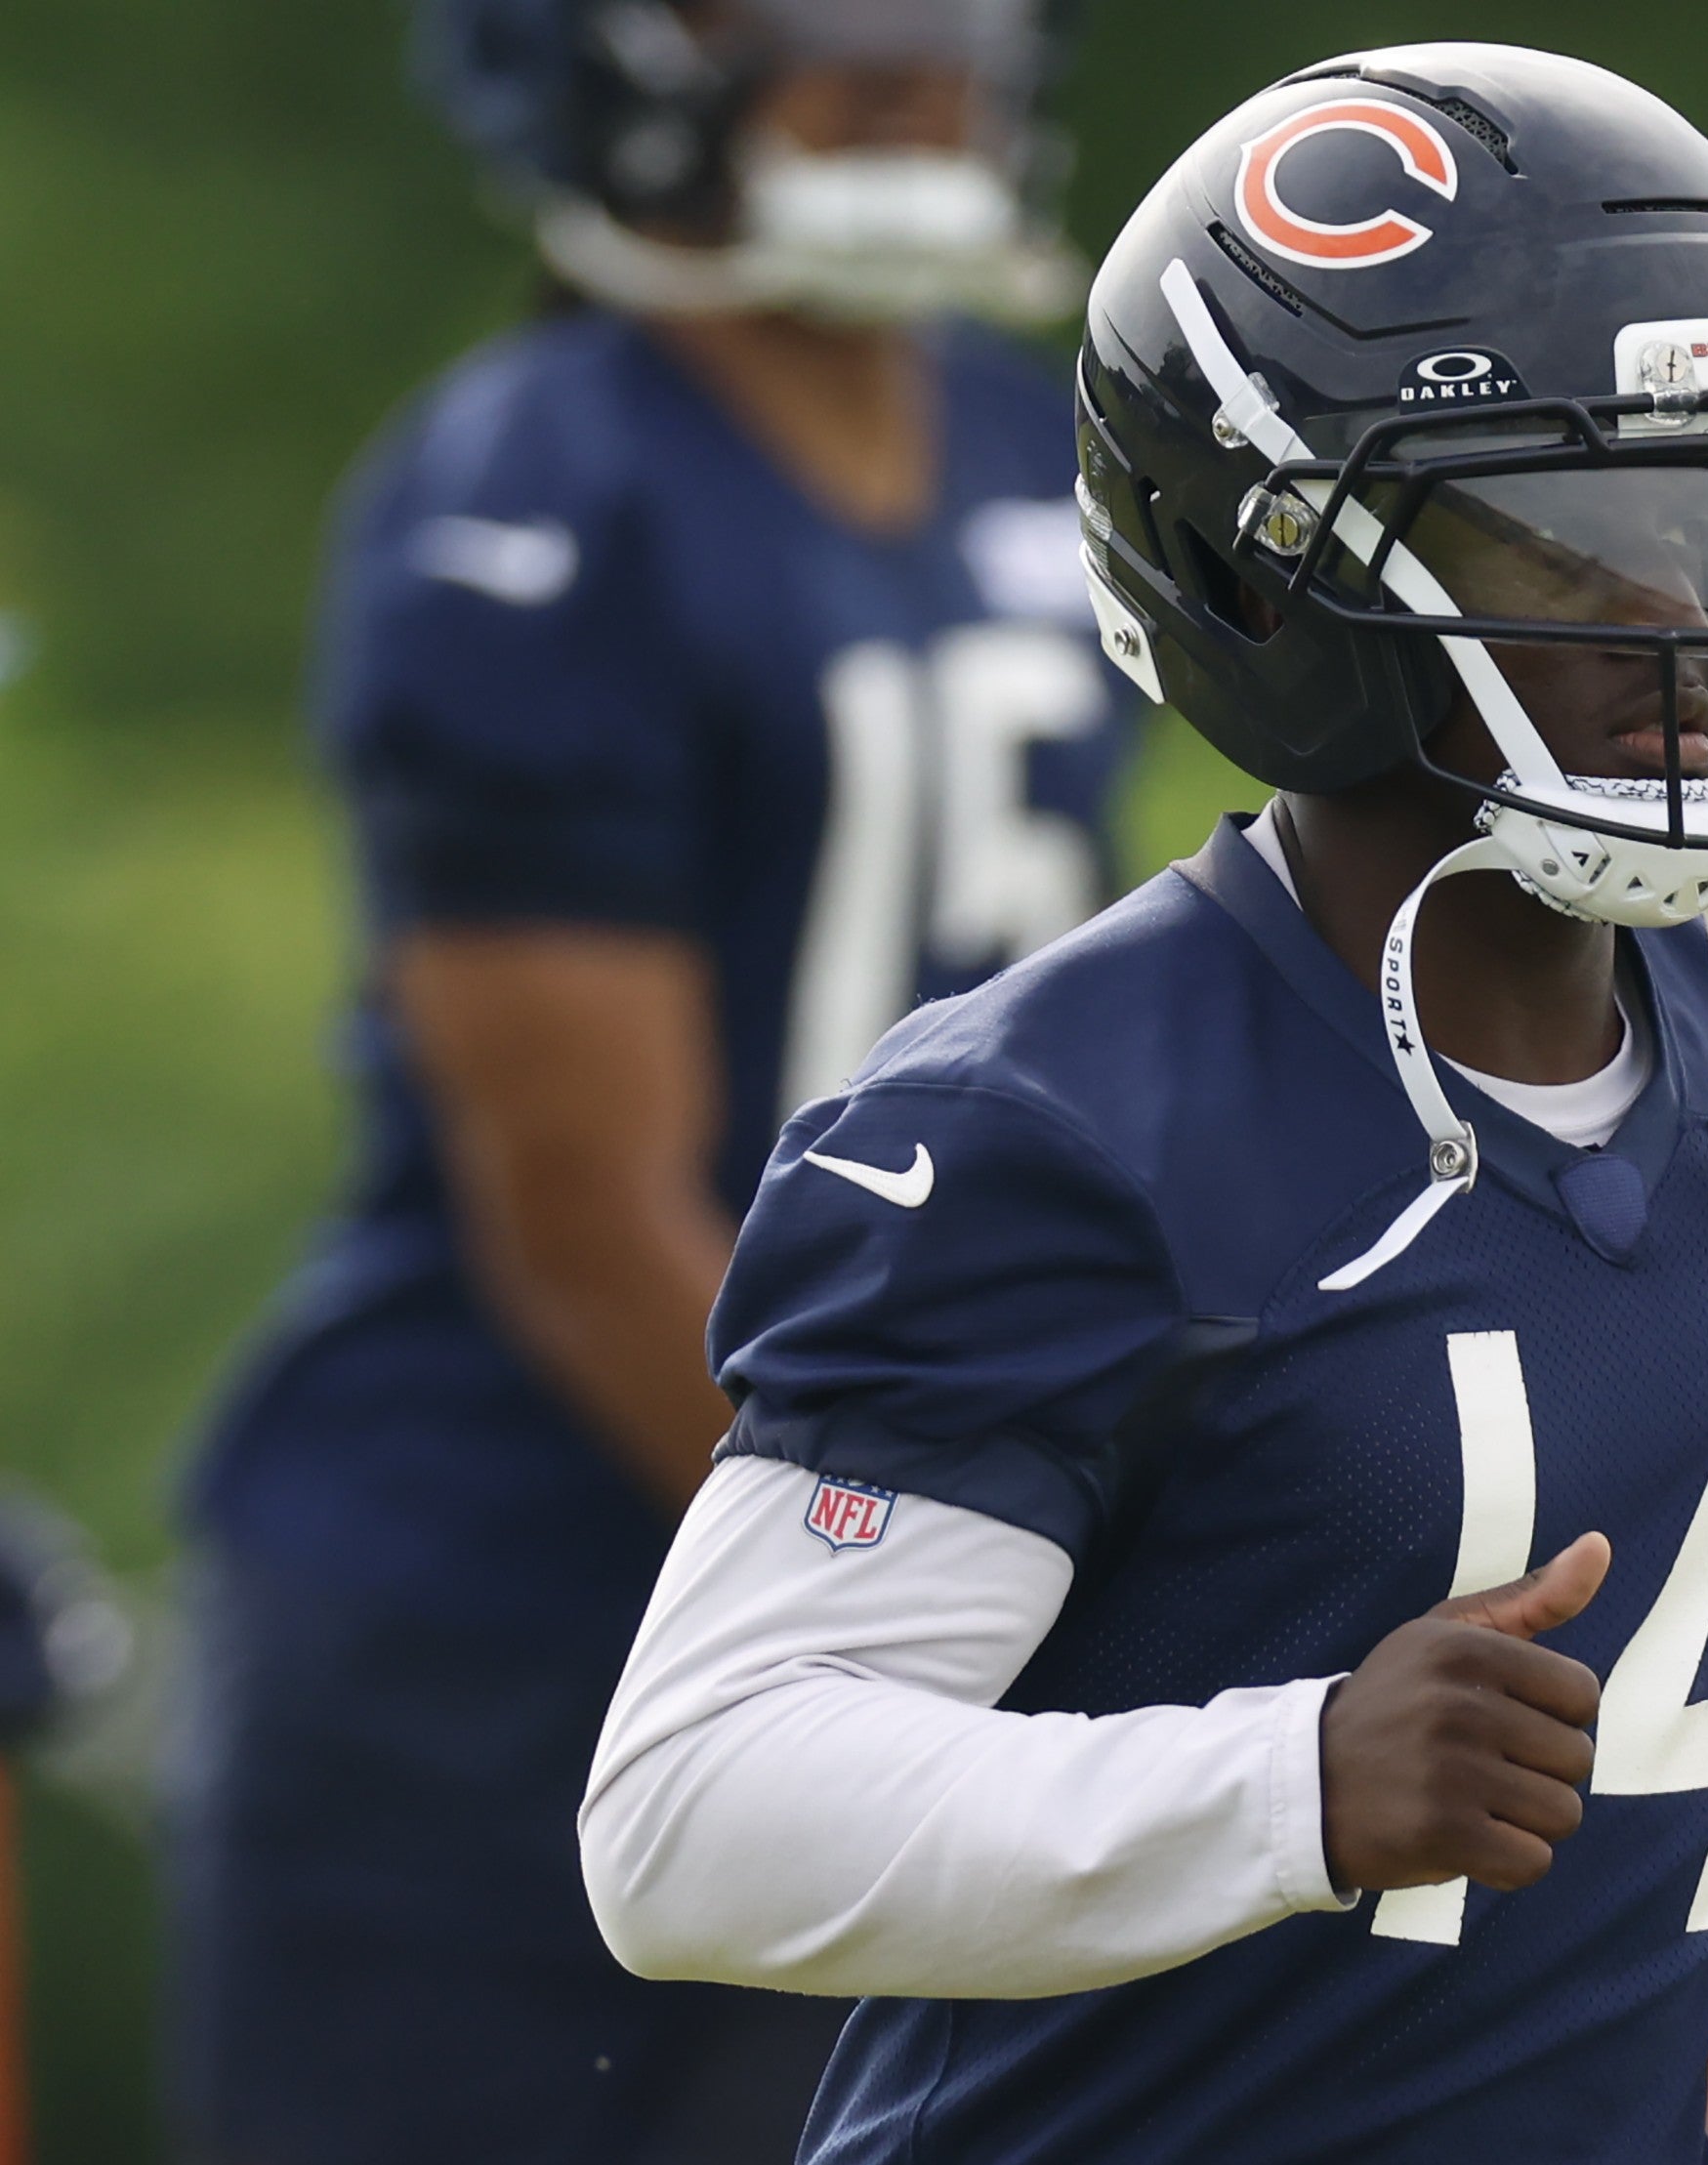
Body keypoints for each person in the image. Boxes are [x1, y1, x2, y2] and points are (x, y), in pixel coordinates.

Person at [578, 42, 1708, 2165]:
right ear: (1271, 584)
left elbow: (1645, 1611)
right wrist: (1286, 1784)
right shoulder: (1059, 1130)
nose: (1687, 626)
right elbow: (692, 1810)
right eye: (1574, 552)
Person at [171, 2, 1138, 2159]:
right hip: (506, 1631)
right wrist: (961, 1598)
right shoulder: (537, 488)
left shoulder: (1029, 447)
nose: (901, 43)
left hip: (890, 1589)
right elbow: (590, 1220)